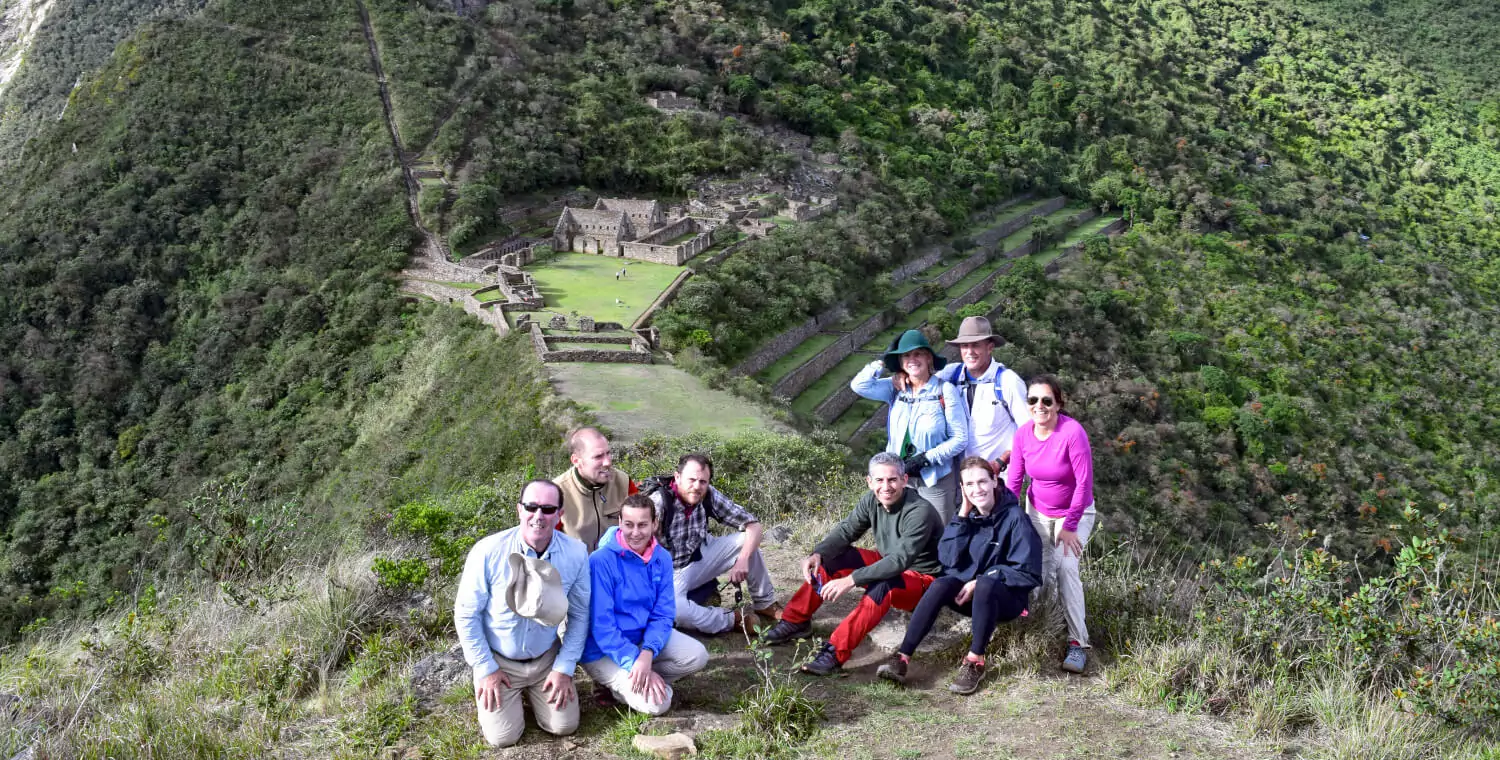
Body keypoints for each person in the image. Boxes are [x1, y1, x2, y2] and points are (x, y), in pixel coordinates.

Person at [760, 452, 943, 676]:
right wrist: (818, 553)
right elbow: (847, 530)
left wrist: (851, 580)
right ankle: (795, 621)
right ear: (869, 482)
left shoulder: (919, 511)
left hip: (921, 581)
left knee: (884, 584)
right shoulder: (871, 500)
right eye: (879, 480)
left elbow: (900, 561)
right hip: (887, 563)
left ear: (905, 480)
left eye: (892, 479)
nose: (886, 486)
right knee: (835, 557)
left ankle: (835, 653)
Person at [877, 457, 1041, 694]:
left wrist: (986, 578)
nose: (978, 489)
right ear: (963, 489)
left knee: (985, 583)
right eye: (970, 484)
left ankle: (975, 662)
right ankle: (902, 658)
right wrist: (962, 515)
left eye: (983, 482)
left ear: (995, 480)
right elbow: (947, 558)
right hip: (970, 598)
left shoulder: (1015, 517)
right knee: (942, 584)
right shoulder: (968, 515)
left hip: (1006, 600)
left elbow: (1029, 572)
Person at [453, 480, 590, 748]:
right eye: (531, 507)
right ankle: (507, 694)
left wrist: (564, 667)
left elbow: (580, 614)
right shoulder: (488, 551)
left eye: (548, 509)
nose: (539, 516)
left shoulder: (576, 553)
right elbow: (466, 614)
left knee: (564, 726)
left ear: (560, 514)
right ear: (519, 510)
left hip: (545, 659)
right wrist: (485, 668)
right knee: (503, 738)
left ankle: (534, 693)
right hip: (500, 661)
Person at [582, 494, 709, 715]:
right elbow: (602, 627)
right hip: (602, 650)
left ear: (654, 524)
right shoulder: (601, 560)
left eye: (643, 525)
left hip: (642, 640)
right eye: (629, 524)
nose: (635, 532)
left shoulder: (662, 559)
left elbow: (663, 614)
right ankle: (624, 685)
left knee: (697, 656)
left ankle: (633, 683)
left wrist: (648, 653)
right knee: (657, 705)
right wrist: (634, 662)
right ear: (620, 523)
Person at [1005, 374, 1098, 674]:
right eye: (1033, 400)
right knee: (1041, 570)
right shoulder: (1023, 435)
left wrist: (1069, 525)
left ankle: (1078, 642)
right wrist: (1008, 517)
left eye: (1047, 400)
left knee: (1067, 568)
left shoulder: (1072, 432)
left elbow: (1084, 483)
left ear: (1059, 404)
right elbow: (1015, 480)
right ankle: (1046, 624)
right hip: (1038, 511)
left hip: (1075, 513)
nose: (1039, 406)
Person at [641, 453, 781, 635]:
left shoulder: (708, 495)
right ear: (677, 477)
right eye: (691, 480)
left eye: (703, 481)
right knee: (677, 611)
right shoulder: (658, 503)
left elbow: (753, 525)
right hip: (666, 573)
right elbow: (637, 552)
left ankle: (765, 602)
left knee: (746, 542)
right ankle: (732, 619)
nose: (697, 487)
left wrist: (743, 559)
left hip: (696, 558)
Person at [850, 329, 971, 522]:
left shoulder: (944, 390)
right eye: (906, 355)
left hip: (934, 480)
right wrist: (882, 360)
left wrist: (926, 458)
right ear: (900, 362)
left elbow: (960, 438)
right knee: (903, 530)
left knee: (938, 533)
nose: (912, 359)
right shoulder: (895, 388)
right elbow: (860, 385)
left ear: (929, 358)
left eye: (918, 354)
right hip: (899, 479)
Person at [935, 317, 1031, 479]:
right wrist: (902, 376)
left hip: (999, 477)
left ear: (990, 347)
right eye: (965, 345)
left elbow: (1029, 431)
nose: (970, 352)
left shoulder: (1008, 381)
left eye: (976, 345)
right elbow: (920, 382)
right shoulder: (951, 374)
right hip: (963, 478)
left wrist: (1001, 461)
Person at [554, 427, 638, 551]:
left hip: (618, 565)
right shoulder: (556, 493)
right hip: (577, 568)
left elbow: (641, 527)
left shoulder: (624, 482)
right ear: (576, 461)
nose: (607, 462)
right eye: (598, 457)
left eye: (608, 453)